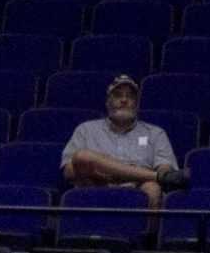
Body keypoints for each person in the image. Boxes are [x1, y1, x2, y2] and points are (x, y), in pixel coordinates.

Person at [63, 76, 187, 207]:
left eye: (130, 96)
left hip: (137, 188)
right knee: (83, 157)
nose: (124, 100)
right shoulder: (86, 130)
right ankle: (153, 176)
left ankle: (148, 228)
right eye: (117, 95)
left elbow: (167, 170)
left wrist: (160, 173)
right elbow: (69, 171)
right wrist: (105, 175)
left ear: (137, 104)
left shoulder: (155, 133)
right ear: (107, 102)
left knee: (153, 189)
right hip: (96, 186)